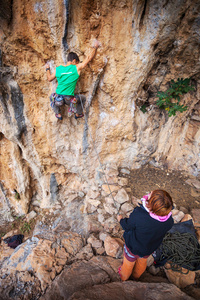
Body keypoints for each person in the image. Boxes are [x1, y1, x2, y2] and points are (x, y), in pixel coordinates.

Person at [117, 189, 174, 281]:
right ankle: (136, 276)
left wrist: (120, 220)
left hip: (133, 247)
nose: (150, 192)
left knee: (129, 262)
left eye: (151, 194)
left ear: (151, 205)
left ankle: (124, 277)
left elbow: (127, 226)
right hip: (149, 248)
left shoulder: (139, 214)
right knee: (142, 262)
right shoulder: (169, 221)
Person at [45, 40, 100, 120]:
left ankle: (58, 114)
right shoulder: (76, 68)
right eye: (77, 62)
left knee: (51, 97)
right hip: (68, 99)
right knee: (83, 98)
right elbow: (88, 59)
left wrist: (47, 69)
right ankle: (78, 114)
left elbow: (49, 78)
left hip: (58, 98)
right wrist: (95, 47)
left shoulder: (58, 69)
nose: (77, 64)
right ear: (74, 61)